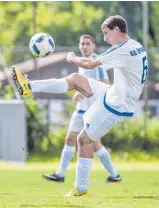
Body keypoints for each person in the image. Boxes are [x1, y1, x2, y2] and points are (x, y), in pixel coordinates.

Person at [12, 15, 147, 196]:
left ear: (116, 30)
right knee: (75, 79)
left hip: (117, 104)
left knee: (84, 140)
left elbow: (90, 64)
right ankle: (28, 87)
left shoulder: (122, 50)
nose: (105, 38)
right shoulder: (135, 45)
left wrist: (72, 58)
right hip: (114, 94)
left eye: (106, 33)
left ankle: (82, 189)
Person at [42, 35, 121, 183]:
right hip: (80, 110)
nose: (84, 46)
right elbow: (83, 83)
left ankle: (114, 175)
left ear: (93, 46)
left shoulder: (97, 62)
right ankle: (60, 174)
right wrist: (79, 91)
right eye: (82, 44)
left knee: (96, 145)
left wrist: (83, 92)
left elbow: (104, 83)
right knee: (70, 139)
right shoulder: (81, 62)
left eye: (87, 44)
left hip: (93, 111)